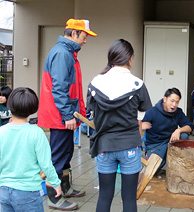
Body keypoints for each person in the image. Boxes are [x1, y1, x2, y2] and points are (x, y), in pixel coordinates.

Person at [37, 18, 97, 210]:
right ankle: (54, 198)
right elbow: (59, 89)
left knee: (66, 153)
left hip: (63, 114)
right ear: (73, 34)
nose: (86, 40)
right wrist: (67, 115)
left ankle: (65, 187)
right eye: (84, 36)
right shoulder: (63, 54)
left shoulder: (67, 52)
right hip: (59, 116)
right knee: (57, 156)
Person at [87, 39, 152, 212]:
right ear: (130, 58)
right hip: (130, 146)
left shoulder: (95, 83)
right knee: (129, 198)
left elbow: (92, 113)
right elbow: (143, 113)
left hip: (104, 146)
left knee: (104, 195)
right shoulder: (137, 84)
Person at [0, 87, 61, 212]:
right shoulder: (36, 133)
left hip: (4, 191)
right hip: (28, 192)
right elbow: (46, 164)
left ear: (10, 105)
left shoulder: (1, 132)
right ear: (33, 108)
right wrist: (55, 183)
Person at [142, 88, 194, 170]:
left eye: (177, 102)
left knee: (184, 136)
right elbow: (137, 125)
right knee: (154, 169)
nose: (174, 105)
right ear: (165, 99)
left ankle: (176, 161)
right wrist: (141, 126)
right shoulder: (152, 112)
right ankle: (162, 157)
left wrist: (178, 130)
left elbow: (190, 127)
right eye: (172, 101)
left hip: (171, 141)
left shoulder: (178, 112)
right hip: (155, 145)